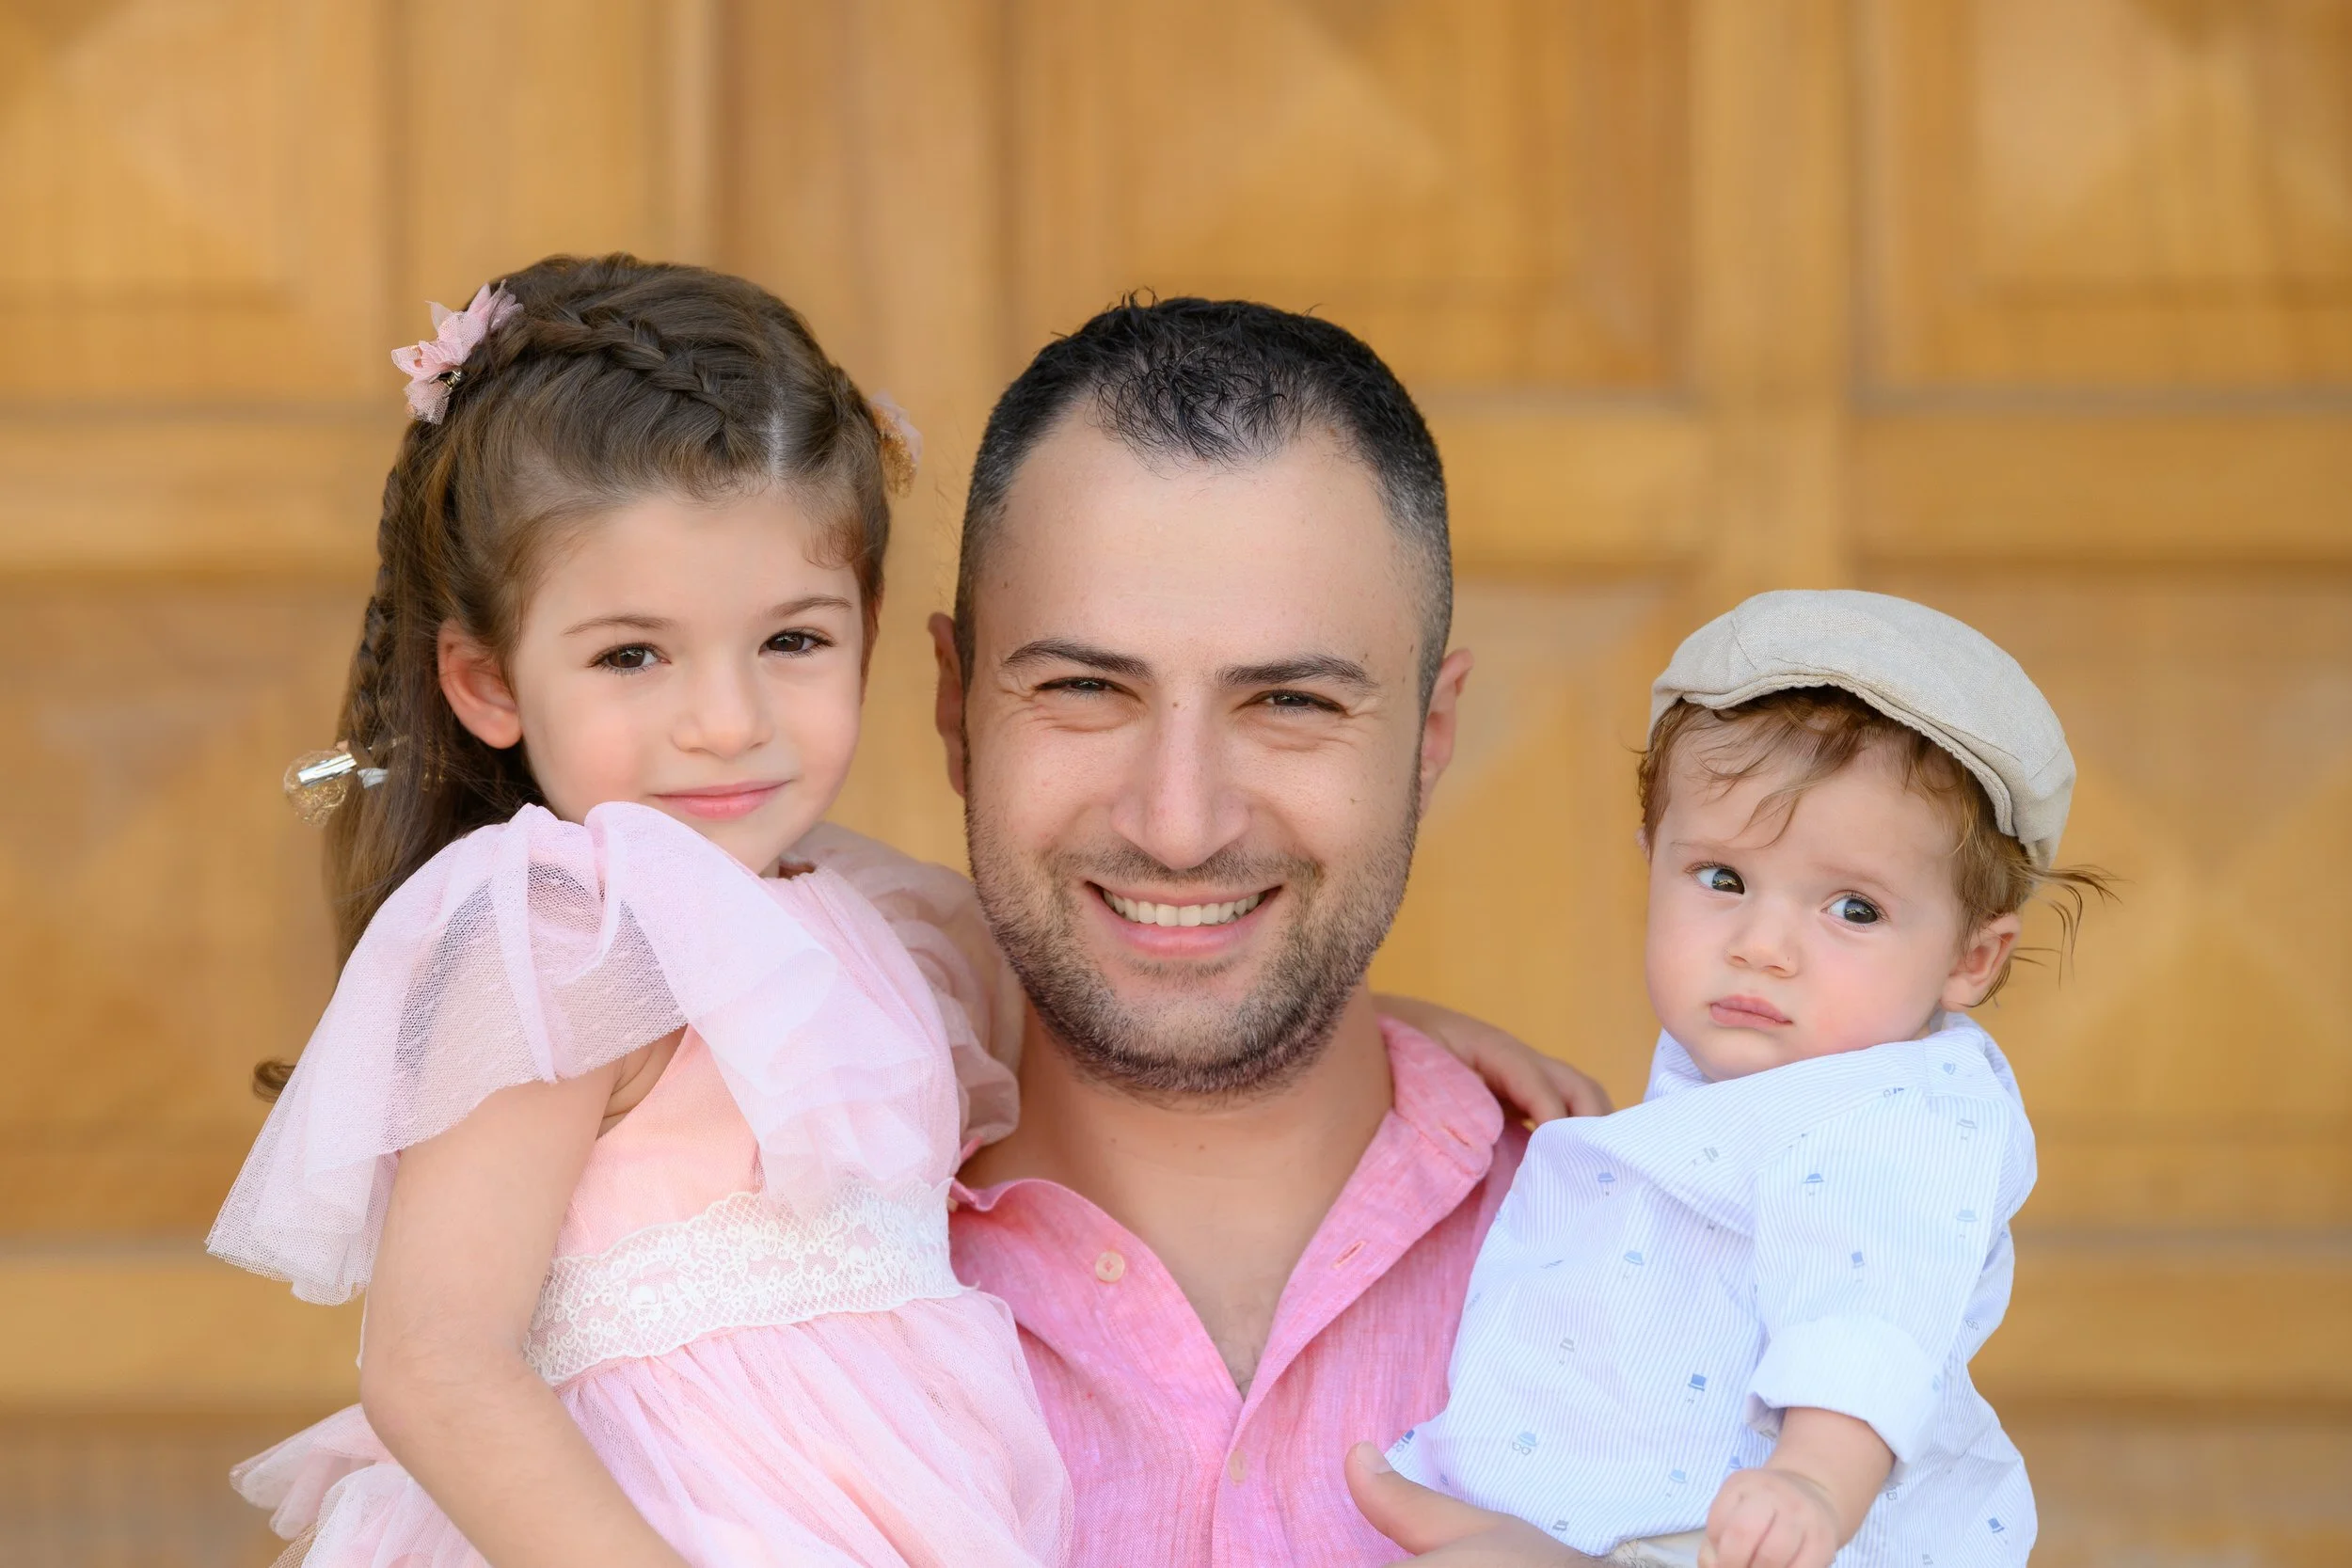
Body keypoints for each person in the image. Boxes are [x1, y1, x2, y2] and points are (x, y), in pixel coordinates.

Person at [210, 255, 1073, 1567]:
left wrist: (1398, 1035)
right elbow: (437, 1365)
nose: (726, 721)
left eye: (792, 639)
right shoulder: (563, 937)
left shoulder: (892, 928)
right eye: (631, 654)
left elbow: (1113, 1057)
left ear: (869, 623)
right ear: (490, 681)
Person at [921, 296, 1612, 1567]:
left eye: (1290, 700)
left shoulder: (1684, 1256)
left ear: (1430, 729)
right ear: (958, 705)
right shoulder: (746, 1267)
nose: (1180, 824)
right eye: (1085, 688)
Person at [1389, 591, 2112, 1568]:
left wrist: (1815, 1476)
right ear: (1653, 863)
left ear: (1969, 961)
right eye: (1722, 878)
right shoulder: (1763, 1081)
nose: (1762, 945)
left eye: (1853, 907)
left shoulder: (1906, 1113)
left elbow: (1869, 1307)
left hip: (1776, 1534)